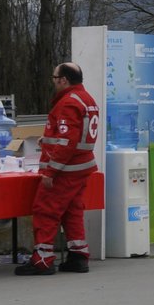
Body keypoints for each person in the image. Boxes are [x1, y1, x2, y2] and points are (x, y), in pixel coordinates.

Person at [17, 62, 99, 276]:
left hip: (66, 170)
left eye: (54, 78)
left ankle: (42, 259)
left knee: (46, 210)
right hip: (81, 166)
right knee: (72, 212)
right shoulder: (86, 99)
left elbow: (66, 142)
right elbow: (73, 137)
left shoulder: (67, 103)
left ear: (63, 80)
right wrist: (49, 139)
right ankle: (78, 255)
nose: (53, 82)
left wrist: (50, 171)